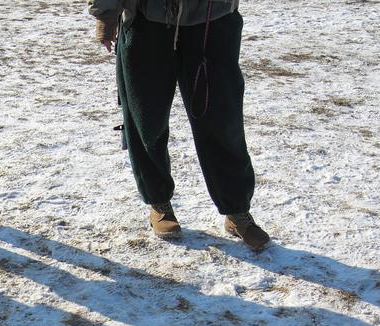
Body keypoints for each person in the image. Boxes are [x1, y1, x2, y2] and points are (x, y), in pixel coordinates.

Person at [90, 0, 270, 250]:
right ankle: (158, 202)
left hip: (213, 17)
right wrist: (106, 14)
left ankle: (236, 210)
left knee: (223, 121)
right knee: (146, 121)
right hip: (148, 18)